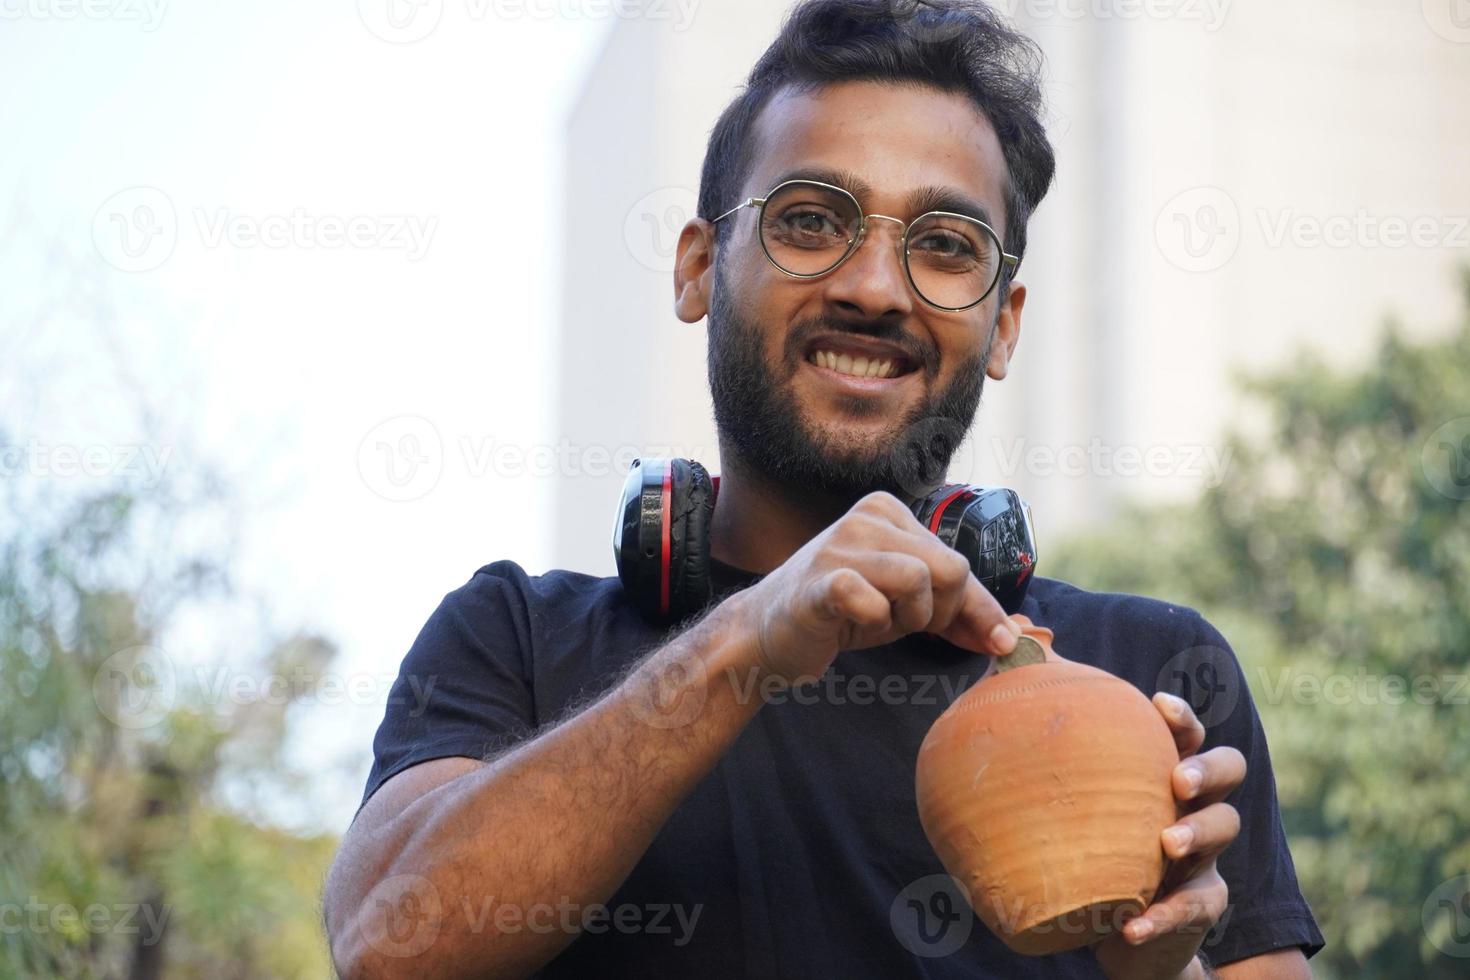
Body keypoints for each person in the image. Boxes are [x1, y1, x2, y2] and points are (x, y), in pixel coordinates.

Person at [323, 1, 1325, 976]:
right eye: (810, 221)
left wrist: (1162, 966)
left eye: (944, 245)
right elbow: (386, 942)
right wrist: (743, 640)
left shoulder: (1153, 672)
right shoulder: (514, 639)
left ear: (1005, 324)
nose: (877, 288)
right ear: (698, 269)